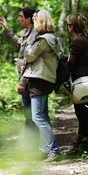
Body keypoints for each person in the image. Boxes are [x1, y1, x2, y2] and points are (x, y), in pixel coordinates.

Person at [23, 9, 62, 160]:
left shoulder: (44, 40)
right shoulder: (53, 38)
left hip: (39, 80)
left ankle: (54, 149)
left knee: (37, 117)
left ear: (40, 21)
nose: (33, 24)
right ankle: (47, 149)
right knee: (42, 116)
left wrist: (27, 45)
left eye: (34, 21)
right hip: (46, 79)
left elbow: (29, 55)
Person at [0, 7, 38, 132]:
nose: (18, 19)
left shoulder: (34, 35)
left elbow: (30, 62)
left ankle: (35, 144)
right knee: (29, 113)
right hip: (26, 79)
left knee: (33, 114)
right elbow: (19, 43)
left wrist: (22, 82)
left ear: (29, 19)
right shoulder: (27, 33)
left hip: (30, 80)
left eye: (21, 16)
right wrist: (7, 30)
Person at [66, 13, 88, 154]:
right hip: (85, 79)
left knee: (81, 114)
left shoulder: (78, 41)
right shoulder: (85, 37)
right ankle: (82, 142)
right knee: (83, 114)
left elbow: (72, 63)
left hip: (80, 81)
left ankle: (82, 145)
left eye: (68, 25)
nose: (67, 28)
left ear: (72, 26)